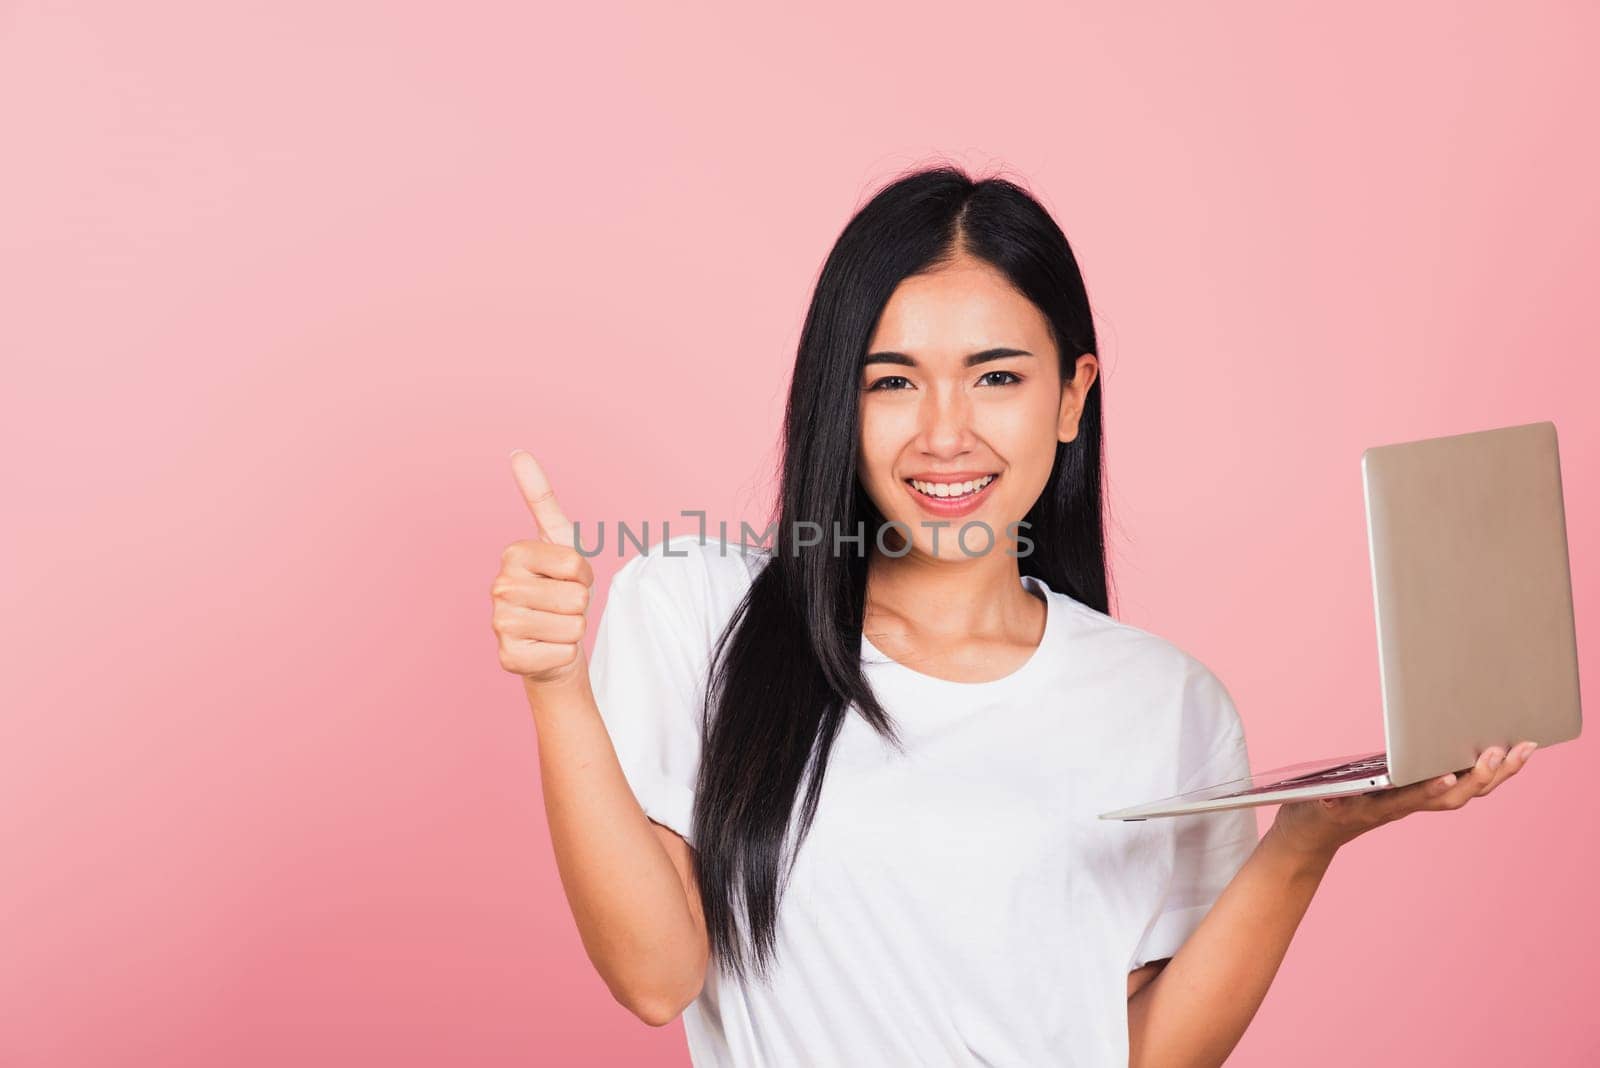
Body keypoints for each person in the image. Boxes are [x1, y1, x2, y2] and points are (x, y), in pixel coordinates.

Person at [489, 166, 1535, 1067]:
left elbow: (1145, 1051)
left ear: (1072, 397)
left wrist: (1305, 842)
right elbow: (653, 976)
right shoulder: (698, 609)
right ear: (834, 405)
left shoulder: (1164, 700)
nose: (946, 434)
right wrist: (555, 688)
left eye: (996, 376)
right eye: (891, 382)